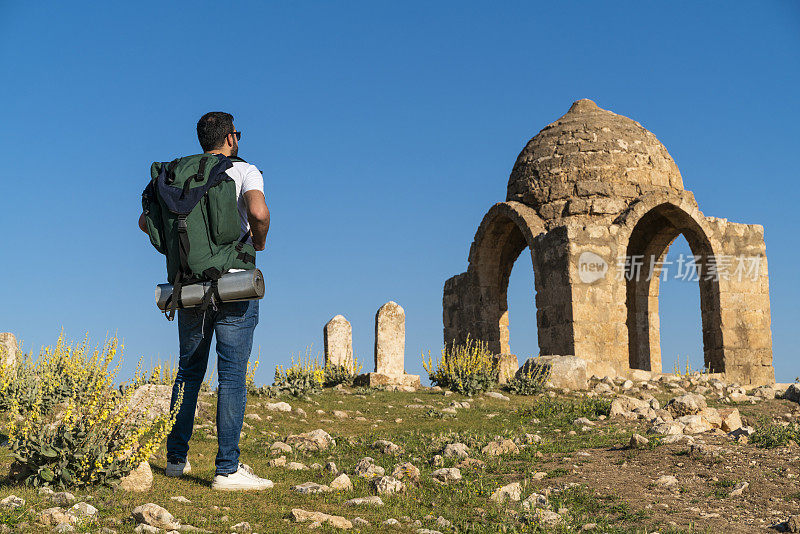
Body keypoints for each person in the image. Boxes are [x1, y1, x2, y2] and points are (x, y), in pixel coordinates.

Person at [137, 111, 272, 490]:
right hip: (234, 285)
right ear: (230, 138)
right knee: (231, 374)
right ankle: (227, 469)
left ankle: (176, 460)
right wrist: (258, 242)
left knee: (188, 371)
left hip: (189, 289)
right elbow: (258, 212)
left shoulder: (180, 175)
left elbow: (146, 223)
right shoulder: (244, 170)